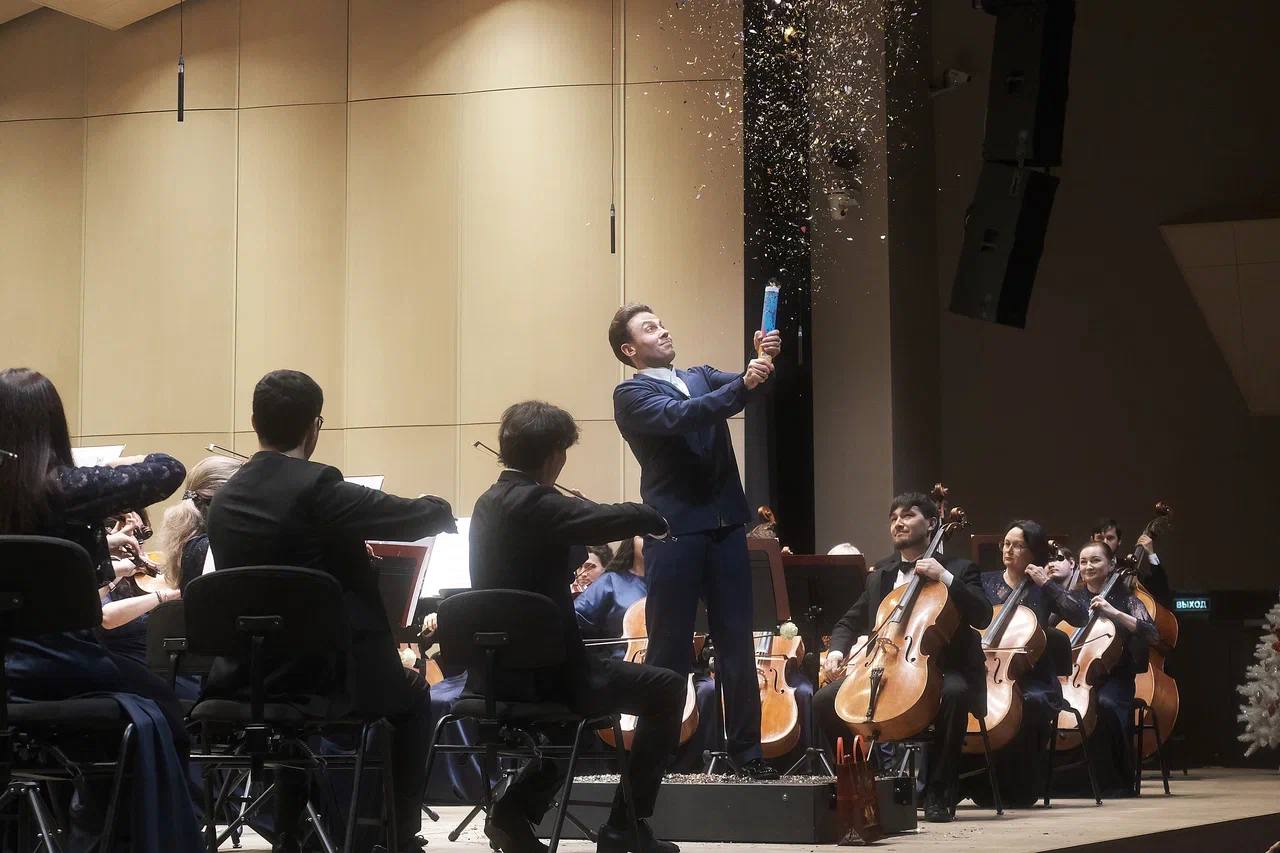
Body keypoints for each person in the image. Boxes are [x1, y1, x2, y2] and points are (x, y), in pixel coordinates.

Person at [205, 369, 456, 853]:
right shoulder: (318, 487)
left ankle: (292, 831)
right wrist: (438, 505)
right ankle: (397, 837)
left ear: (254, 422)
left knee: (294, 722)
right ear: (314, 426)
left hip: (247, 678)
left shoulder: (225, 498)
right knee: (411, 695)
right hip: (327, 677)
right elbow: (414, 515)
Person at [469, 400, 685, 853]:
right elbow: (607, 519)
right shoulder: (541, 503)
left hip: (493, 676)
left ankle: (512, 814)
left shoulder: (487, 503)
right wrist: (653, 515)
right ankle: (626, 827)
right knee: (667, 688)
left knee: (565, 726)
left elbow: (565, 545)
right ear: (554, 456)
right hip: (551, 676)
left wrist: (574, 516)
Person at [0, 367, 201, 851]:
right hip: (68, 669)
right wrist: (113, 464)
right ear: (53, 426)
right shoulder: (69, 488)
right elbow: (169, 468)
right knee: (168, 707)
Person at [609, 302, 782, 779]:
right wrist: (745, 381)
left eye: (662, 323)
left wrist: (763, 362)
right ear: (629, 349)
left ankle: (747, 754)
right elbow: (682, 416)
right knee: (668, 649)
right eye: (650, 328)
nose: (663, 331)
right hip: (675, 530)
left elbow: (747, 388)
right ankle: (656, 758)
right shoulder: (631, 393)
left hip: (725, 525)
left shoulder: (700, 375)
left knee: (737, 643)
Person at [813, 491, 992, 822]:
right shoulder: (881, 574)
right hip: (887, 665)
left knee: (954, 694)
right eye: (893, 518)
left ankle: (939, 793)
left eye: (908, 515)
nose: (898, 522)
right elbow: (849, 621)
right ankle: (869, 781)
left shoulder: (960, 569)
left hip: (944, 668)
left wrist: (945, 577)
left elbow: (982, 614)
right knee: (825, 700)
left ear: (932, 523)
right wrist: (837, 650)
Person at [965, 521, 1085, 807]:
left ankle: (1018, 787)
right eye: (1006, 543)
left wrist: (1048, 584)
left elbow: (1080, 616)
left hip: (1034, 676)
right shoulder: (985, 582)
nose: (1009, 550)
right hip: (989, 669)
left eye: (1018, 545)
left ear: (1034, 552)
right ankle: (974, 783)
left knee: (1030, 703)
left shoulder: (1043, 588)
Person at [1053, 540, 1158, 796]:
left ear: (1111, 564)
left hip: (1115, 679)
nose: (1088, 566)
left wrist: (1114, 613)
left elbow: (1152, 634)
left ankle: (1114, 779)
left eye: (1095, 560)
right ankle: (1063, 779)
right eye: (1084, 561)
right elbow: (1048, 629)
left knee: (1105, 704)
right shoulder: (1073, 600)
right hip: (1075, 677)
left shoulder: (1126, 600)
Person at [1093, 517, 1172, 608]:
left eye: (1110, 538)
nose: (1105, 542)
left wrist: (1151, 553)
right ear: (1092, 540)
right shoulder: (1084, 570)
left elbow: (1162, 590)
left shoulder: (1129, 569)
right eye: (1100, 538)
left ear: (1119, 542)